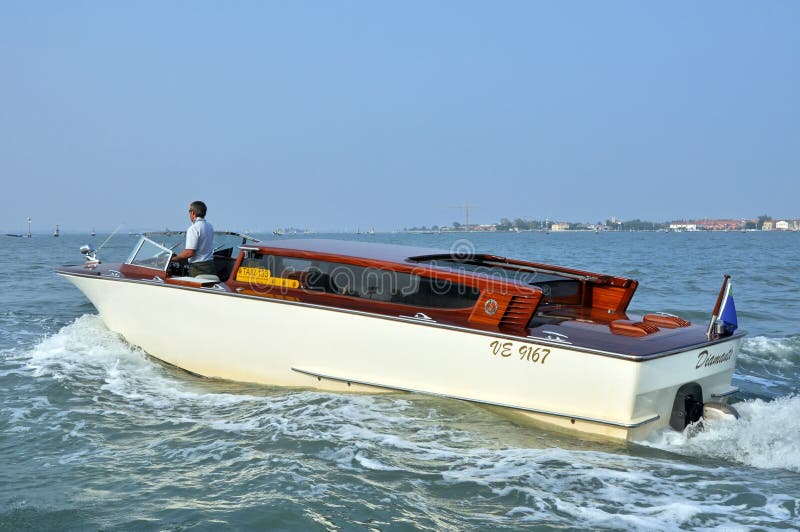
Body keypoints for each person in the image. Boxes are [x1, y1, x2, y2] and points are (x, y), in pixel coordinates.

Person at [171, 200, 215, 277]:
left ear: (193, 213)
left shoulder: (193, 228)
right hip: (210, 266)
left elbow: (190, 252)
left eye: (189, 211)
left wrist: (174, 258)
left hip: (198, 269)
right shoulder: (209, 226)